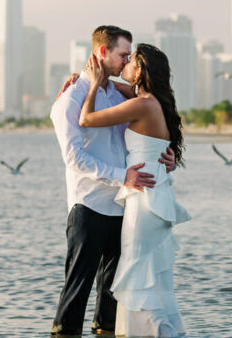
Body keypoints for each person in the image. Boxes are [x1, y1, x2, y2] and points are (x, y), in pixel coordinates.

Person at [49, 25, 177, 336]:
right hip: (89, 205)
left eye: (129, 56)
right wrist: (125, 176)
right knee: (75, 295)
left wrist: (166, 156)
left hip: (123, 208)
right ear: (103, 52)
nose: (126, 61)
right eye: (122, 55)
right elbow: (75, 159)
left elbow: (150, 119)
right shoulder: (70, 99)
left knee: (111, 302)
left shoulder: (115, 93)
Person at [79, 43, 190, 337]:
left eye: (130, 61)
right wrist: (84, 76)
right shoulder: (151, 100)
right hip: (153, 196)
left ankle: (149, 332)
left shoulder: (143, 105)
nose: (124, 63)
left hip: (145, 201)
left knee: (138, 269)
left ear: (140, 70)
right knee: (147, 273)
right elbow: (113, 82)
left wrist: (89, 89)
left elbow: (86, 119)